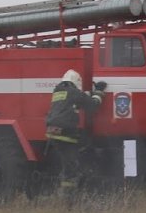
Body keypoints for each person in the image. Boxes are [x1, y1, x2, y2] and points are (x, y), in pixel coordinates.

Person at [44, 69, 106, 200]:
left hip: (52, 132)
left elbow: (79, 98)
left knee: (70, 162)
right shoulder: (73, 93)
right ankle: (68, 198)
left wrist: (88, 94)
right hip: (66, 133)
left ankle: (67, 192)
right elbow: (92, 105)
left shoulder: (58, 91)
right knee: (71, 167)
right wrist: (99, 92)